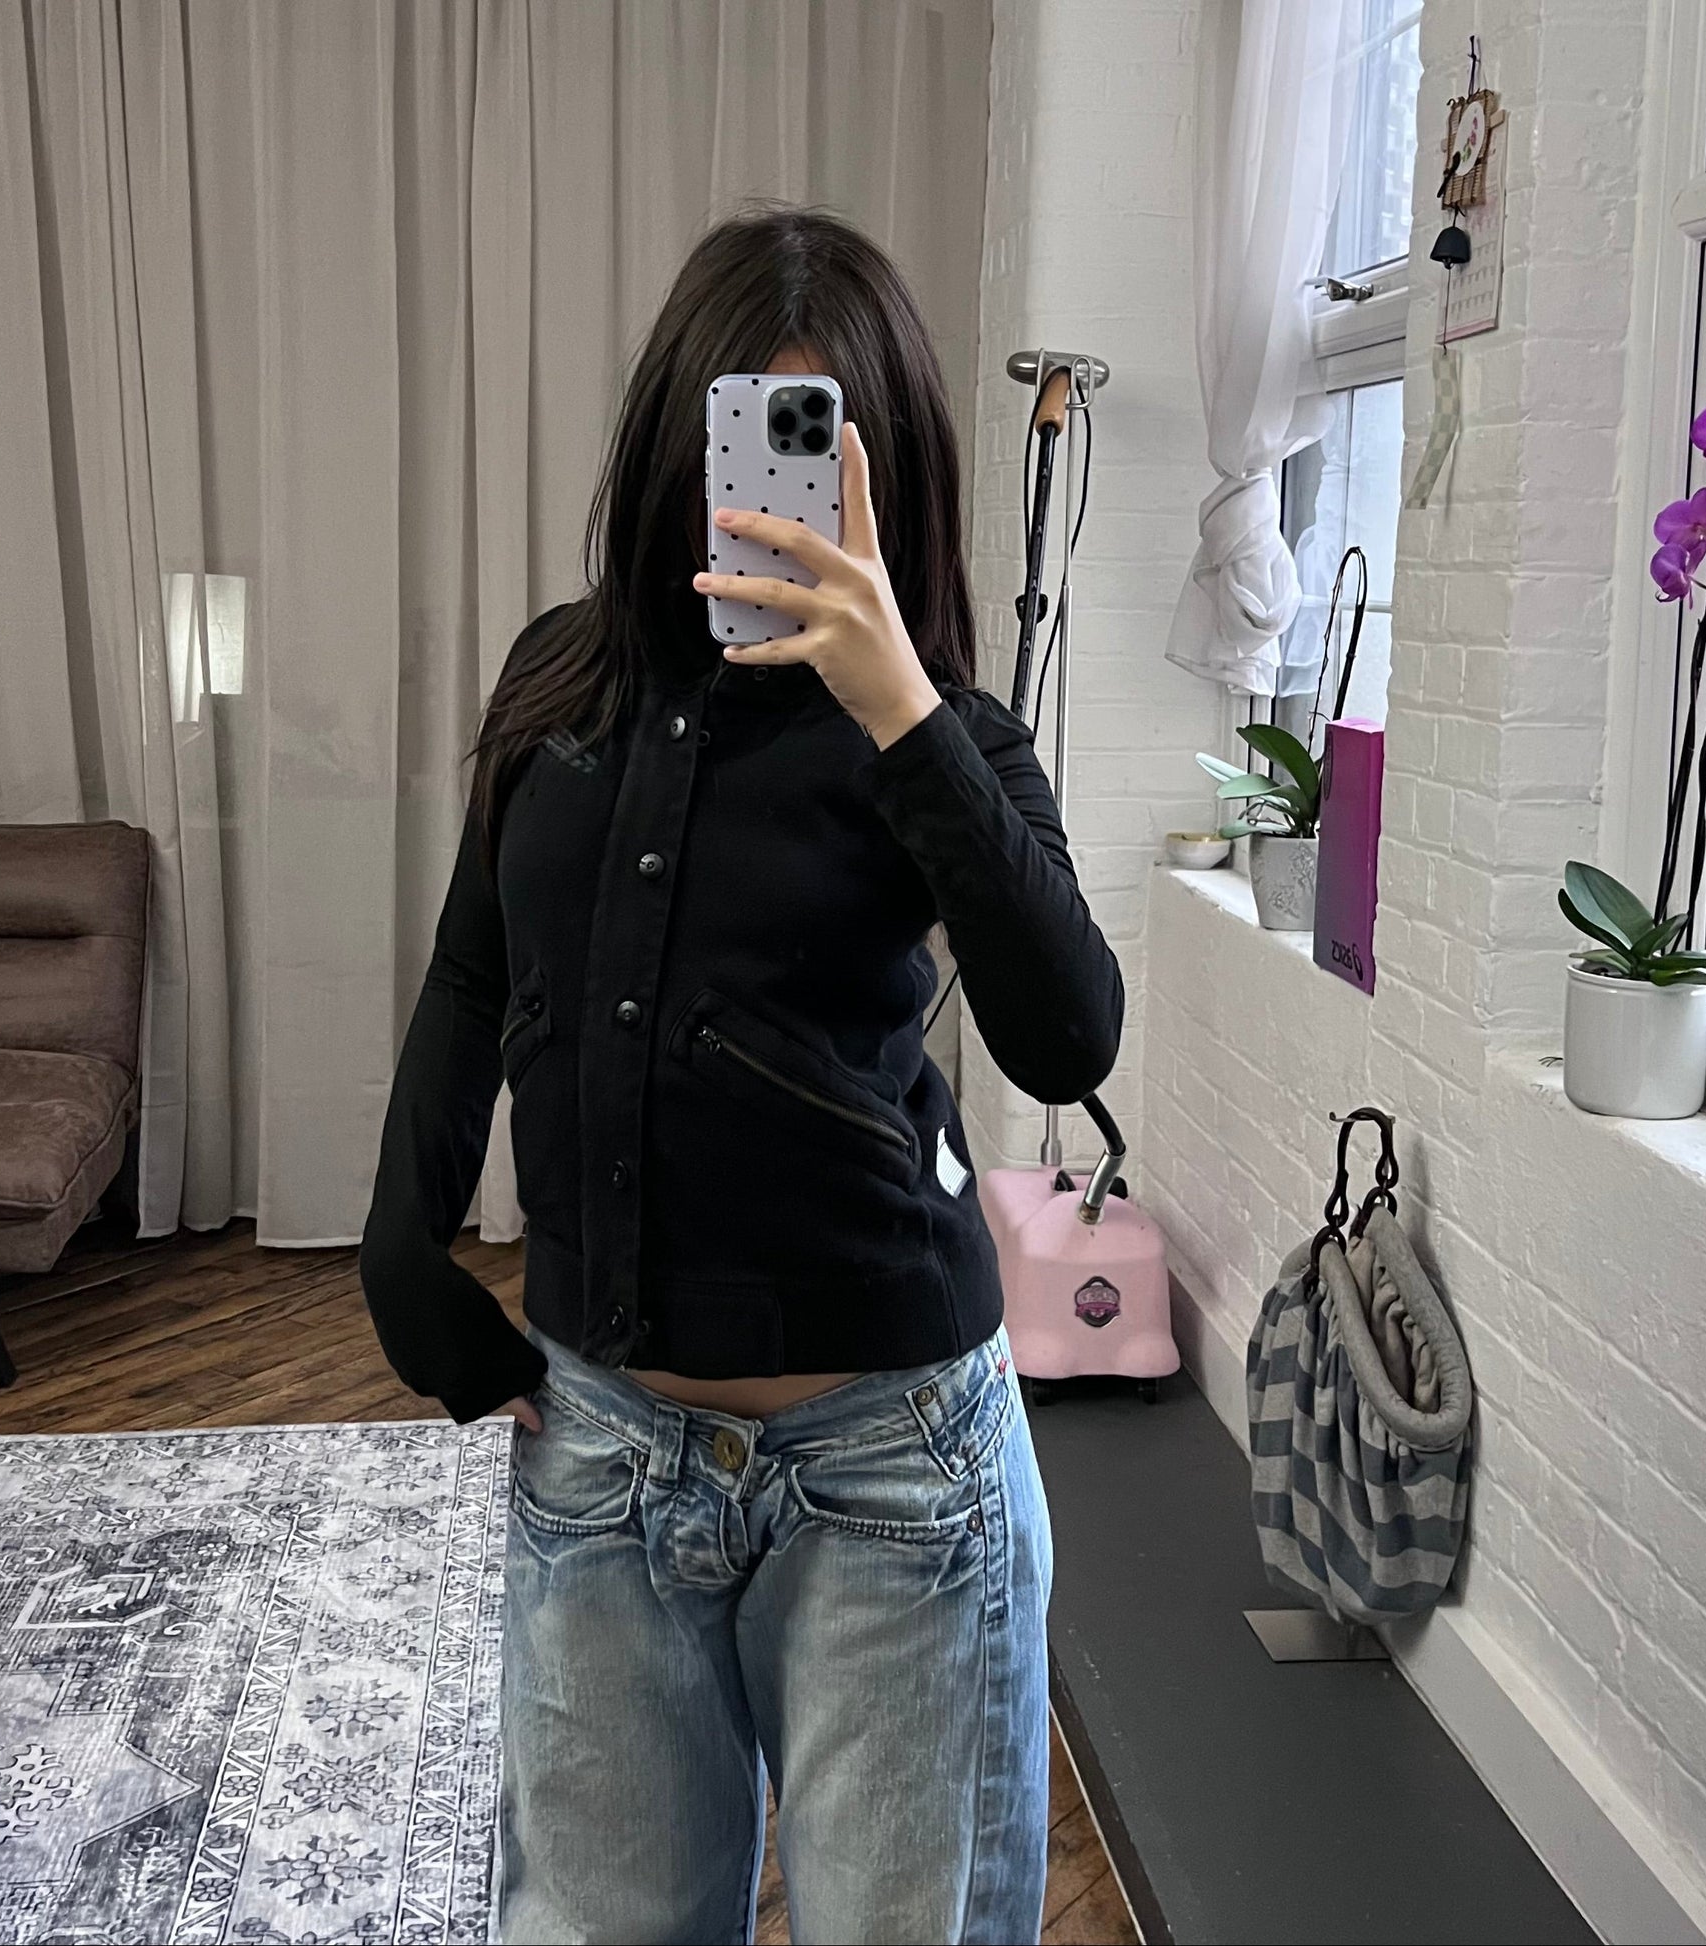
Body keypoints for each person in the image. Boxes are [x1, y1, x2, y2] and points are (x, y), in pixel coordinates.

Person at [360, 205, 1123, 1946]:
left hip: (894, 1474)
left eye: (814, 446)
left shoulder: (945, 735)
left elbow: (1068, 1034)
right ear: (671, 443)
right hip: (601, 1446)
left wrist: (897, 703)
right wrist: (404, 1234)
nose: (767, 495)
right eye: (741, 434)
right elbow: (474, 967)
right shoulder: (555, 683)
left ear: (886, 475)